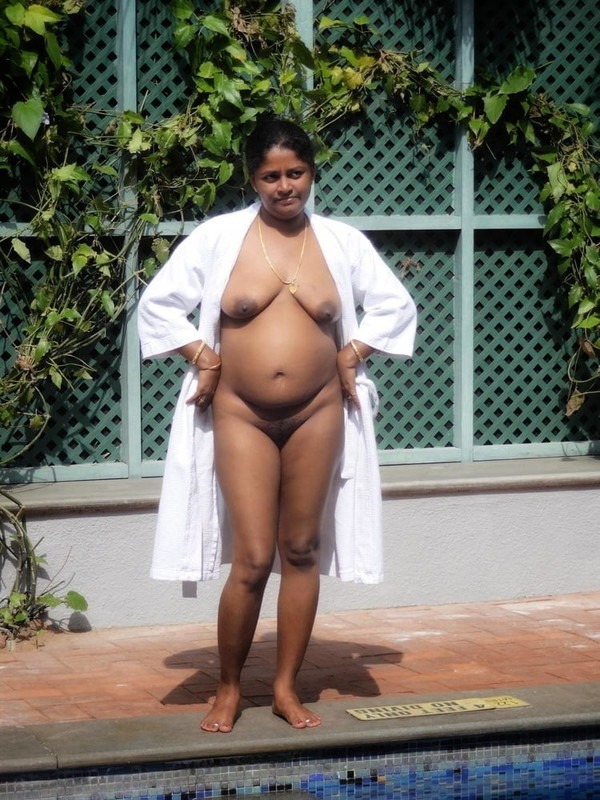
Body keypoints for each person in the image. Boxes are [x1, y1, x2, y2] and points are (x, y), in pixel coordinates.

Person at [137, 116, 417, 733]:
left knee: (301, 549)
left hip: (319, 410)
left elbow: (395, 304)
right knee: (254, 557)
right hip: (240, 411)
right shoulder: (219, 238)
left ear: (311, 173)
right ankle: (229, 687)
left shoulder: (341, 242)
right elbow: (158, 304)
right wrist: (204, 356)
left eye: (296, 173)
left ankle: (287, 686)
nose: (285, 186)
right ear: (251, 178)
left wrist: (352, 352)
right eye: (271, 176)